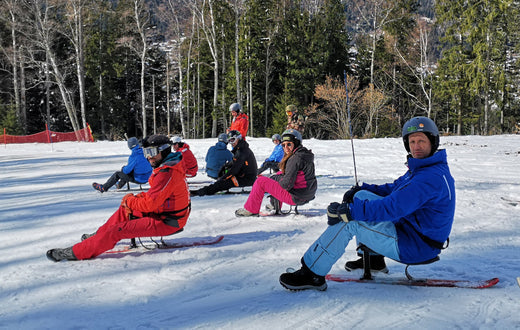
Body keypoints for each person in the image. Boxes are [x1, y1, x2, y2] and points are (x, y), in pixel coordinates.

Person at [279, 116, 455, 291]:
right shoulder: (425, 169)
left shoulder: (427, 178)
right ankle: (373, 260)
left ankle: (312, 274)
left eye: (421, 141)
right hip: (412, 233)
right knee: (362, 195)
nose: (416, 146)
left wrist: (349, 211)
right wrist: (361, 190)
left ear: (433, 142)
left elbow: (391, 208)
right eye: (412, 141)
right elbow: (394, 189)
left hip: (415, 245)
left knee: (351, 222)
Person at [47, 134, 191, 262]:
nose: (148, 156)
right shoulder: (167, 167)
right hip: (165, 213)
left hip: (169, 221)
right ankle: (98, 236)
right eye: (146, 152)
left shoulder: (167, 172)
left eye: (152, 152)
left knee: (117, 231)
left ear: (164, 150)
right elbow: (157, 196)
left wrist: (129, 199)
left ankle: (76, 252)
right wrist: (132, 201)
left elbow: (150, 204)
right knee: (124, 210)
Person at [235, 129, 317, 217]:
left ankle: (251, 209)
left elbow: (286, 185)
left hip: (297, 197)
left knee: (261, 181)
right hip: (307, 194)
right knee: (277, 176)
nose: (286, 148)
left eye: (289, 144)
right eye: (283, 145)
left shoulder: (295, 159)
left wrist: (276, 179)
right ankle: (275, 204)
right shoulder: (304, 155)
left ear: (296, 143)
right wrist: (277, 177)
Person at [190, 130, 257, 196]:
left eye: (233, 140)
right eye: (229, 141)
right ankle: (206, 189)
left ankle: (201, 192)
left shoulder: (242, 152)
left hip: (247, 179)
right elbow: (233, 163)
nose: (231, 143)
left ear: (238, 138)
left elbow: (234, 169)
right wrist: (224, 168)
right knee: (223, 177)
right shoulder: (239, 149)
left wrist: (223, 179)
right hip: (243, 176)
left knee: (222, 183)